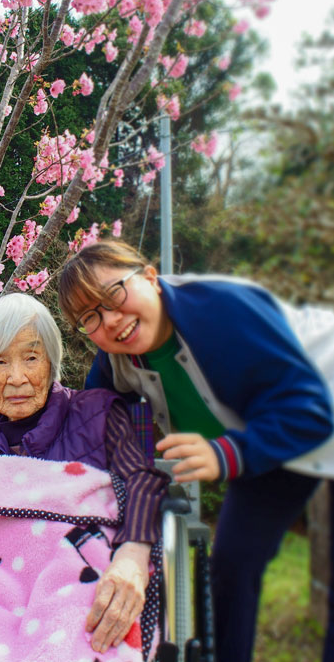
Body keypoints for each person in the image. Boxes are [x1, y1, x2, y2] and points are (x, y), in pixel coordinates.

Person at [57, 238, 334, 662]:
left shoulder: (223, 310)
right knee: (233, 565)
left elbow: (314, 409)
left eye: (114, 294)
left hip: (316, 400)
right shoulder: (114, 361)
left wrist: (225, 455)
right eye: (89, 317)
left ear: (150, 276)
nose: (110, 321)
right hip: (261, 440)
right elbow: (86, 432)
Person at [0, 293, 170, 662]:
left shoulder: (97, 413)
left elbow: (142, 482)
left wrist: (132, 557)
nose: (17, 377)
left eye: (31, 357)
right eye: (0, 361)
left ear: (52, 362)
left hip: (74, 579)